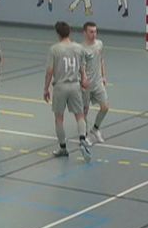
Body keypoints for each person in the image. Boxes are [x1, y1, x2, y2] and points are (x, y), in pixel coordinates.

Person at [44, 22, 92, 161]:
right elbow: (82, 66)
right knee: (80, 115)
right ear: (69, 32)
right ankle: (82, 138)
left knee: (59, 118)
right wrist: (84, 79)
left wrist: (46, 88)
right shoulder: (78, 48)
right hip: (75, 85)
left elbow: (50, 71)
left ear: (58, 34)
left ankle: (63, 148)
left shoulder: (54, 49)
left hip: (60, 86)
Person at [81, 22, 109, 146]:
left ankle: (95, 129)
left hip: (98, 83)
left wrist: (103, 76)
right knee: (84, 111)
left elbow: (102, 60)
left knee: (105, 107)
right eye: (91, 32)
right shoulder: (81, 49)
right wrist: (84, 80)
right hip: (86, 85)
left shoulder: (99, 44)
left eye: (95, 31)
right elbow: (81, 67)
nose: (94, 34)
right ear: (85, 33)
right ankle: (84, 136)